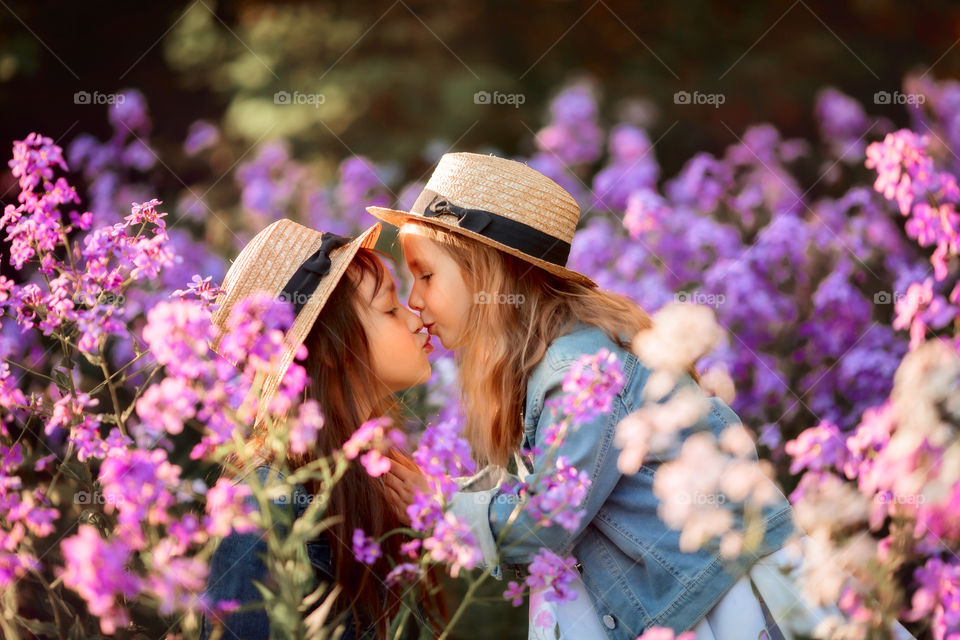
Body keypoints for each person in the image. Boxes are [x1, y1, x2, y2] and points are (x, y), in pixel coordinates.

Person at [369, 153, 798, 640]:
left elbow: (551, 522)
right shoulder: (553, 357)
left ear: (488, 275)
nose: (415, 300)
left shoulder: (576, 367)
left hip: (724, 597)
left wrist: (443, 508)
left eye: (425, 275)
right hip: (693, 593)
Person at [200, 219, 442, 639]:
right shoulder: (266, 505)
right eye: (389, 309)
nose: (416, 319)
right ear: (331, 350)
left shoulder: (380, 471)